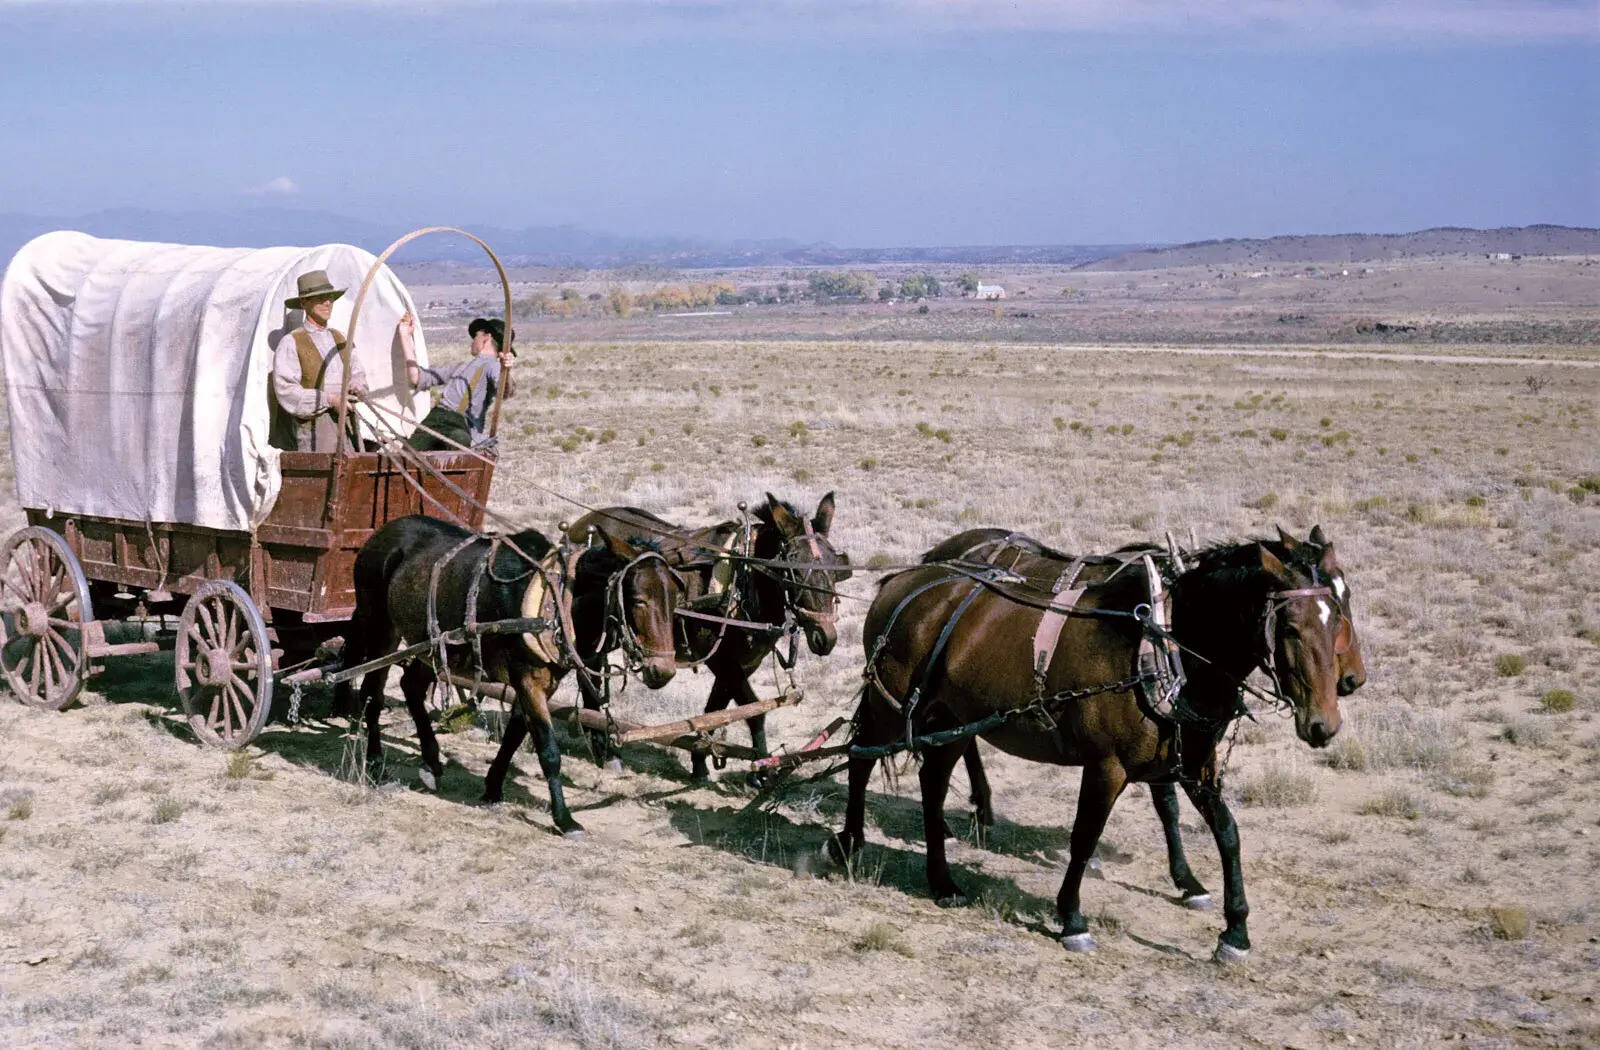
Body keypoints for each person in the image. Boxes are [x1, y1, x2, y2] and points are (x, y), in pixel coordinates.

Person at [270, 270, 370, 452]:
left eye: (330, 297)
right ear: (304, 302)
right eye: (320, 298)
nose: (327, 302)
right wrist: (330, 400)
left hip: (347, 426)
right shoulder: (291, 342)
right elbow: (288, 392)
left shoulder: (340, 338)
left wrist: (358, 386)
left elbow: (357, 372)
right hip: (315, 432)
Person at [396, 314, 515, 451]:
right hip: (433, 420)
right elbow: (415, 377)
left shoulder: (493, 365)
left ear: (486, 338)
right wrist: (405, 336)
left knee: (459, 438)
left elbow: (505, 391)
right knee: (406, 458)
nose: (472, 341)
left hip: (459, 424)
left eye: (476, 336)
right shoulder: (460, 367)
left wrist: (506, 370)